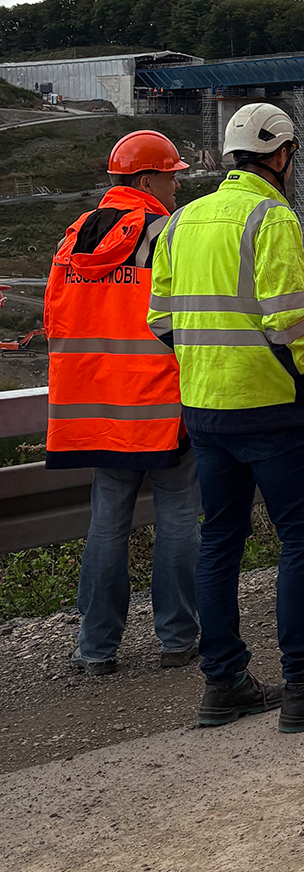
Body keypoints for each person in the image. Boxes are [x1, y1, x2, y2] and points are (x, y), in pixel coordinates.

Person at [147, 103, 304, 731]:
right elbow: (286, 320)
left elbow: (160, 319)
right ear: (280, 154)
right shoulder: (270, 216)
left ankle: (224, 683)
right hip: (272, 408)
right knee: (301, 539)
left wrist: (206, 364)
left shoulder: (181, 220)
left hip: (204, 407)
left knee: (220, 539)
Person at [46, 130, 198, 675]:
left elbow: (54, 321)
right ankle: (177, 639)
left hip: (95, 412)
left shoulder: (74, 239)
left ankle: (96, 648)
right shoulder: (166, 234)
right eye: (171, 177)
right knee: (178, 517)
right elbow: (187, 319)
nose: (176, 186)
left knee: (107, 523)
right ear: (147, 180)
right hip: (161, 407)